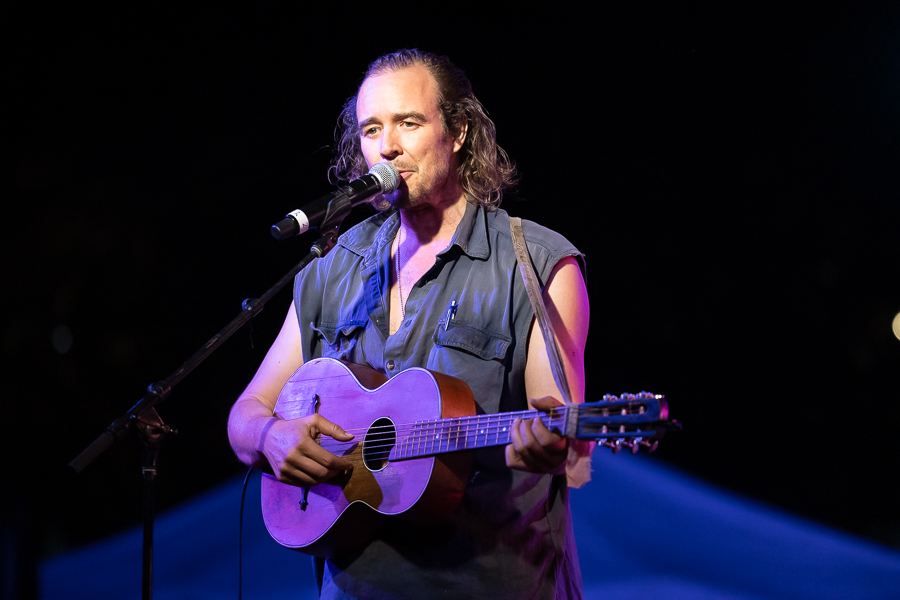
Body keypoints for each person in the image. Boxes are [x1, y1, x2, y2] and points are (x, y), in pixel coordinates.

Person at [228, 49, 591, 599]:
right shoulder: (333, 266)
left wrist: (549, 444)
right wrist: (270, 436)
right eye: (372, 129)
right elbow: (246, 414)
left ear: (458, 132)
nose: (388, 146)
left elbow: (558, 422)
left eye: (409, 122)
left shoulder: (537, 263)